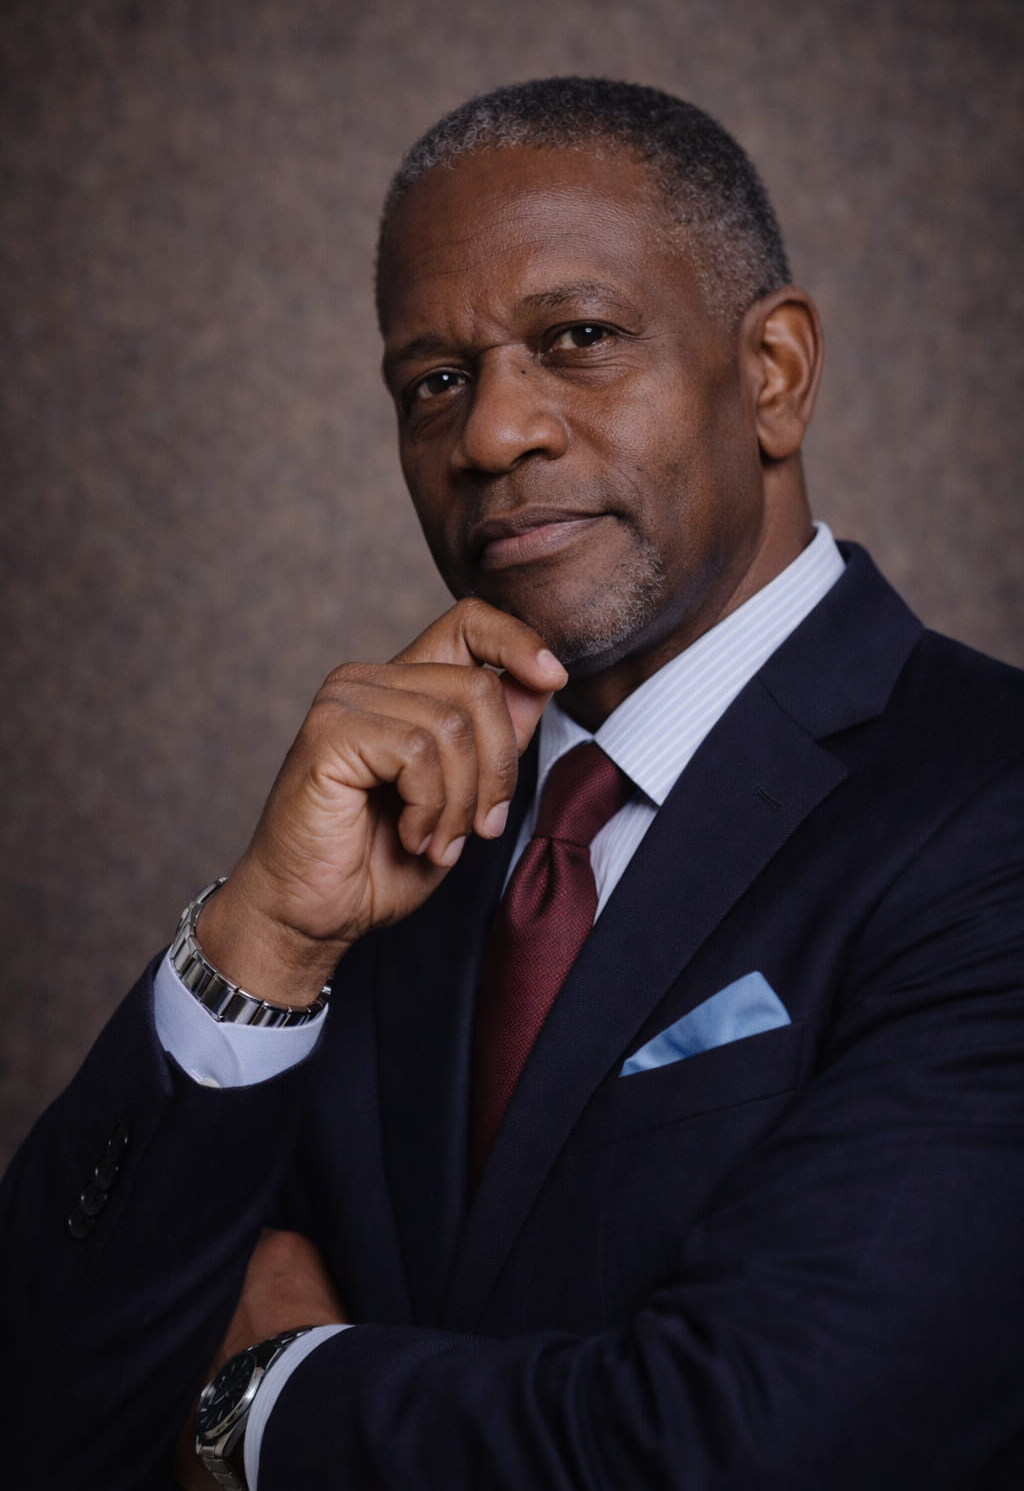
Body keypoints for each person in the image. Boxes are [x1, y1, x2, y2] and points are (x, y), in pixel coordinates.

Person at [2, 77, 1022, 1491]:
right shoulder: (389, 851)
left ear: (774, 372)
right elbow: (37, 1399)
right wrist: (265, 940)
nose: (489, 438)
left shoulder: (989, 812)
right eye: (434, 381)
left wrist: (264, 1402)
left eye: (579, 339)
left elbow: (749, 1450)